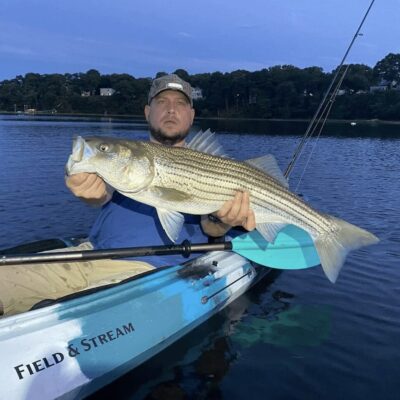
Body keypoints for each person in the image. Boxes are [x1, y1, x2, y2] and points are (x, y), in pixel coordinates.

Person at [66, 74, 255, 267]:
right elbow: (99, 194)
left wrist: (223, 220)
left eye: (180, 103)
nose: (171, 110)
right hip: (89, 252)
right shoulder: (128, 154)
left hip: (151, 271)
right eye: (162, 101)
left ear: (191, 116)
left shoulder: (212, 164)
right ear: (148, 112)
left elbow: (212, 229)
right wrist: (83, 187)